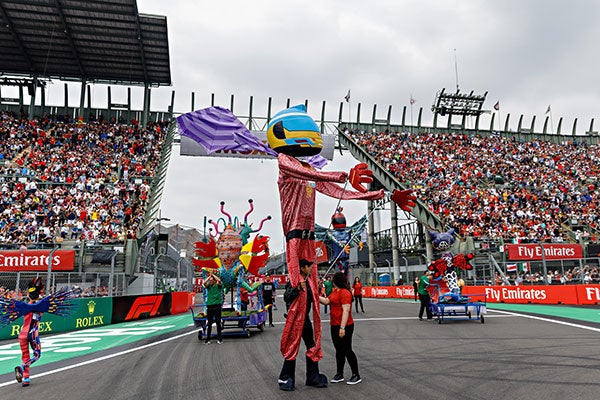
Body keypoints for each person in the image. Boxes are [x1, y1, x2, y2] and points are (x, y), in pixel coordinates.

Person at [319, 272, 362, 385]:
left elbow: (346, 310)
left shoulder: (345, 293)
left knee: (347, 349)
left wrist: (342, 327)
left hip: (345, 325)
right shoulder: (335, 291)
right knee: (339, 350)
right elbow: (327, 301)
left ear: (336, 281)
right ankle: (339, 373)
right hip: (334, 324)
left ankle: (356, 374)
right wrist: (316, 296)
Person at [14, 277, 44, 387]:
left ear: (28, 295)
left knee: (25, 355)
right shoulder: (41, 306)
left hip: (22, 334)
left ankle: (26, 379)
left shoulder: (24, 306)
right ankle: (22, 368)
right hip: (33, 334)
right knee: (37, 354)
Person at [203, 273, 224, 344]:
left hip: (217, 306)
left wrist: (213, 275)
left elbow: (219, 280)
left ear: (215, 281)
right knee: (209, 323)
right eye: (210, 280)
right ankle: (208, 339)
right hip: (210, 306)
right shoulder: (209, 287)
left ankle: (220, 339)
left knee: (218, 323)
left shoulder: (218, 286)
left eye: (212, 280)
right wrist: (209, 277)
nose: (210, 281)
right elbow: (204, 283)